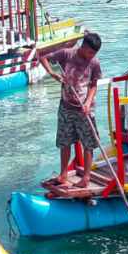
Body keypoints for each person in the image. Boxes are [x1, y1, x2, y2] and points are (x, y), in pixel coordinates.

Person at [40, 32, 103, 190]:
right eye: (90, 52)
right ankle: (63, 174)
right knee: (65, 142)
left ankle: (86, 177)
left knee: (88, 144)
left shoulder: (94, 63)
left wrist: (88, 102)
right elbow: (43, 57)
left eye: (94, 53)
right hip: (66, 107)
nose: (91, 56)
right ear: (83, 47)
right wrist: (52, 73)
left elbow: (94, 85)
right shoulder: (67, 54)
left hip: (84, 109)